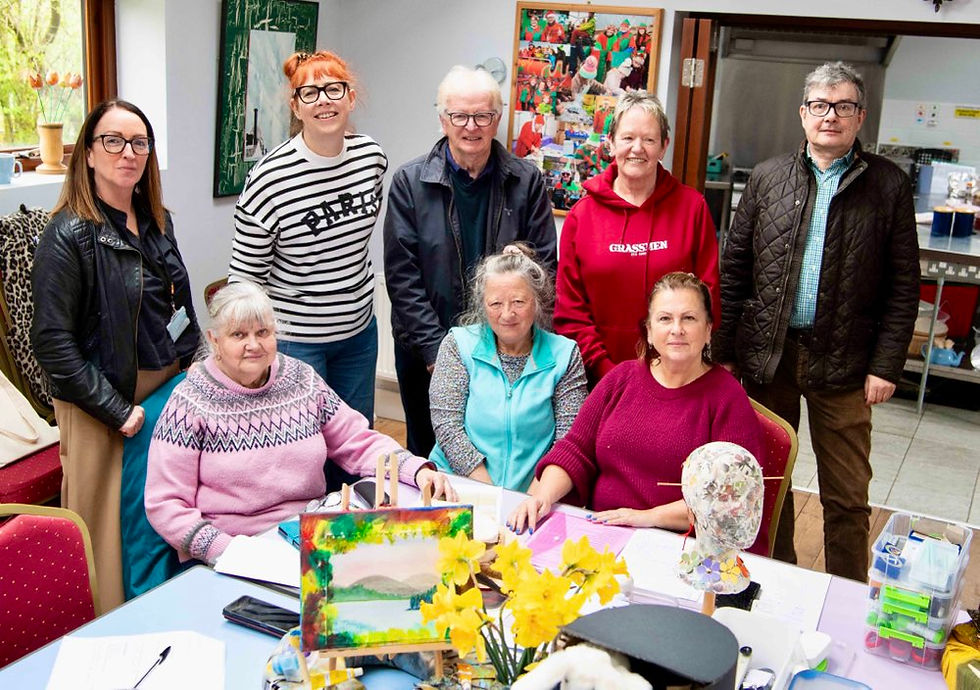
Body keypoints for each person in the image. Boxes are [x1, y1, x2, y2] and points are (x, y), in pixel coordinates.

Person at [713, 62, 919, 581]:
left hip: (847, 364)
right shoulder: (767, 176)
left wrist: (886, 366)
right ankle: (778, 582)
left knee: (847, 496)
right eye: (821, 106)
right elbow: (735, 269)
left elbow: (903, 284)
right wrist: (728, 352)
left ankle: (847, 596)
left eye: (844, 106)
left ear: (860, 116)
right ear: (803, 113)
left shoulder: (889, 185)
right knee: (767, 484)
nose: (831, 116)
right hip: (769, 358)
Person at [145, 281, 456, 566]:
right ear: (214, 340)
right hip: (235, 548)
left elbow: (356, 440)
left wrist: (414, 468)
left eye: (263, 333)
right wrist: (228, 550)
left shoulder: (300, 378)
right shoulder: (190, 401)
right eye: (239, 335)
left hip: (308, 535)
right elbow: (166, 504)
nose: (253, 344)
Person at [31, 99, 202, 610]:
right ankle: (110, 633)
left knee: (157, 519)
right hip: (101, 402)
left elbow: (179, 301)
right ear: (86, 153)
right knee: (104, 533)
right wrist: (116, 410)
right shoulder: (69, 234)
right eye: (112, 140)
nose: (127, 153)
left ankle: (161, 610)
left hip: (164, 387)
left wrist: (194, 368)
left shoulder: (157, 220)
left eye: (139, 142)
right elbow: (53, 343)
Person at [508, 273, 765, 554]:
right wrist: (542, 496)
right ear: (650, 331)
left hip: (680, 549)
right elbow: (576, 450)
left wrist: (645, 518)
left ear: (708, 330)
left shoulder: (728, 399)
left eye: (689, 319)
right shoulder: (621, 378)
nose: (676, 329)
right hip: (600, 535)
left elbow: (730, 499)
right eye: (665, 319)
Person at [383, 65, 556, 457]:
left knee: (497, 456)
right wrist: (436, 353)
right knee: (429, 457)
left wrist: (525, 261)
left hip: (506, 350)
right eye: (459, 116)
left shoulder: (526, 181)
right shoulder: (410, 182)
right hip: (425, 350)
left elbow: (545, 266)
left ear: (497, 120)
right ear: (443, 119)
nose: (471, 127)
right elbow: (402, 276)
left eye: (482, 116)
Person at [229, 50, 385, 437]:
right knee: (303, 448)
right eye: (310, 93)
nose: (324, 101)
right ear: (295, 107)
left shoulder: (372, 158)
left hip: (358, 335)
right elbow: (245, 280)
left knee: (355, 443)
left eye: (333, 89)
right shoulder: (270, 178)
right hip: (296, 341)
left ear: (350, 98)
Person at [554, 91, 719, 385]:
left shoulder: (693, 208)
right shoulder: (581, 216)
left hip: (677, 377)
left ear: (664, 146)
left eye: (649, 139)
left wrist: (675, 366)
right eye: (628, 138)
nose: (637, 149)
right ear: (611, 142)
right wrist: (605, 370)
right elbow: (570, 310)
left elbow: (707, 297)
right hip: (598, 378)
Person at [429, 244, 587, 492]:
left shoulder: (565, 354)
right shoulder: (458, 345)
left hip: (532, 492)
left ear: (537, 301)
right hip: (458, 484)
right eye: (495, 304)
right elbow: (448, 427)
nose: (507, 314)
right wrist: (492, 498)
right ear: (482, 304)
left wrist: (533, 499)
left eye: (518, 301)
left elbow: (567, 440)